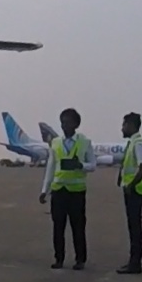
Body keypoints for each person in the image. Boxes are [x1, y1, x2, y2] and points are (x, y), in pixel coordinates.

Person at [39, 107, 94, 270]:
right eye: (62, 122)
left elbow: (93, 165)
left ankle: (80, 259)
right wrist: (44, 190)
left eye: (68, 122)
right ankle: (59, 258)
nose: (64, 126)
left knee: (78, 227)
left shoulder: (85, 142)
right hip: (58, 190)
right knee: (58, 227)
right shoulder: (55, 143)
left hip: (77, 191)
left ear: (76, 124)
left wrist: (80, 165)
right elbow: (50, 167)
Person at [118, 111, 142, 274]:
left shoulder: (138, 143)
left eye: (124, 124)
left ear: (131, 126)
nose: (122, 128)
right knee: (133, 226)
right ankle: (133, 260)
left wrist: (131, 185)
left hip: (135, 191)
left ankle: (135, 263)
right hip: (131, 190)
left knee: (134, 227)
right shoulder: (133, 143)